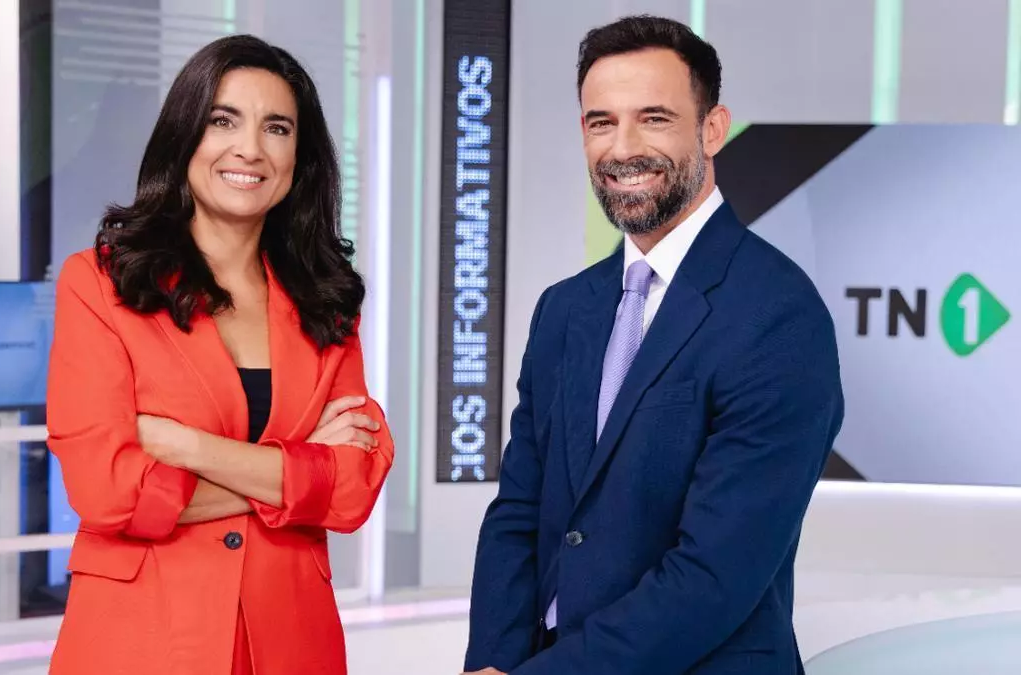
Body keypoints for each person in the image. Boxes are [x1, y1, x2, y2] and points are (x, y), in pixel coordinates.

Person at [463, 15, 843, 675]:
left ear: (713, 129)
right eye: (601, 122)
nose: (622, 148)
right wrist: (492, 663)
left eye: (654, 118)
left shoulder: (779, 314)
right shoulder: (564, 309)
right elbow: (519, 513)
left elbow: (714, 576)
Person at [46, 34, 393, 675]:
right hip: (140, 643)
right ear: (185, 136)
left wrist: (187, 448)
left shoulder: (326, 298)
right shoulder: (99, 283)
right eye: (223, 120)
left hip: (291, 642)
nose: (250, 149)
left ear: (300, 158)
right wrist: (296, 473)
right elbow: (108, 491)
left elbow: (351, 489)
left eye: (277, 128)